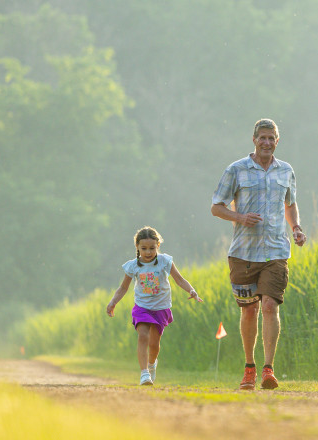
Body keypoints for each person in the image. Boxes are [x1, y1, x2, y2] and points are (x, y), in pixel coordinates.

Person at [211, 118, 307, 390]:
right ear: (254, 139)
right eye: (262, 137)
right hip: (243, 252)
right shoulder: (237, 170)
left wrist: (297, 228)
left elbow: (291, 204)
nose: (266, 142)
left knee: (269, 305)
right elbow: (216, 207)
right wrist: (240, 217)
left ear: (278, 140)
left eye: (271, 138)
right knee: (250, 310)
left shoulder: (286, 171)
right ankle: (249, 368)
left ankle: (268, 369)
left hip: (276, 249)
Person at [106, 226, 203, 385]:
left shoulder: (165, 261)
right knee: (143, 335)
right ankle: (144, 373)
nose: (148, 252)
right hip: (142, 307)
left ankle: (151, 364)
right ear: (137, 247)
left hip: (161, 308)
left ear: (158, 246)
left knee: (154, 345)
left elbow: (179, 279)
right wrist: (112, 302)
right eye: (144, 248)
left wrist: (192, 290)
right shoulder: (133, 265)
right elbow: (123, 287)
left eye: (152, 248)